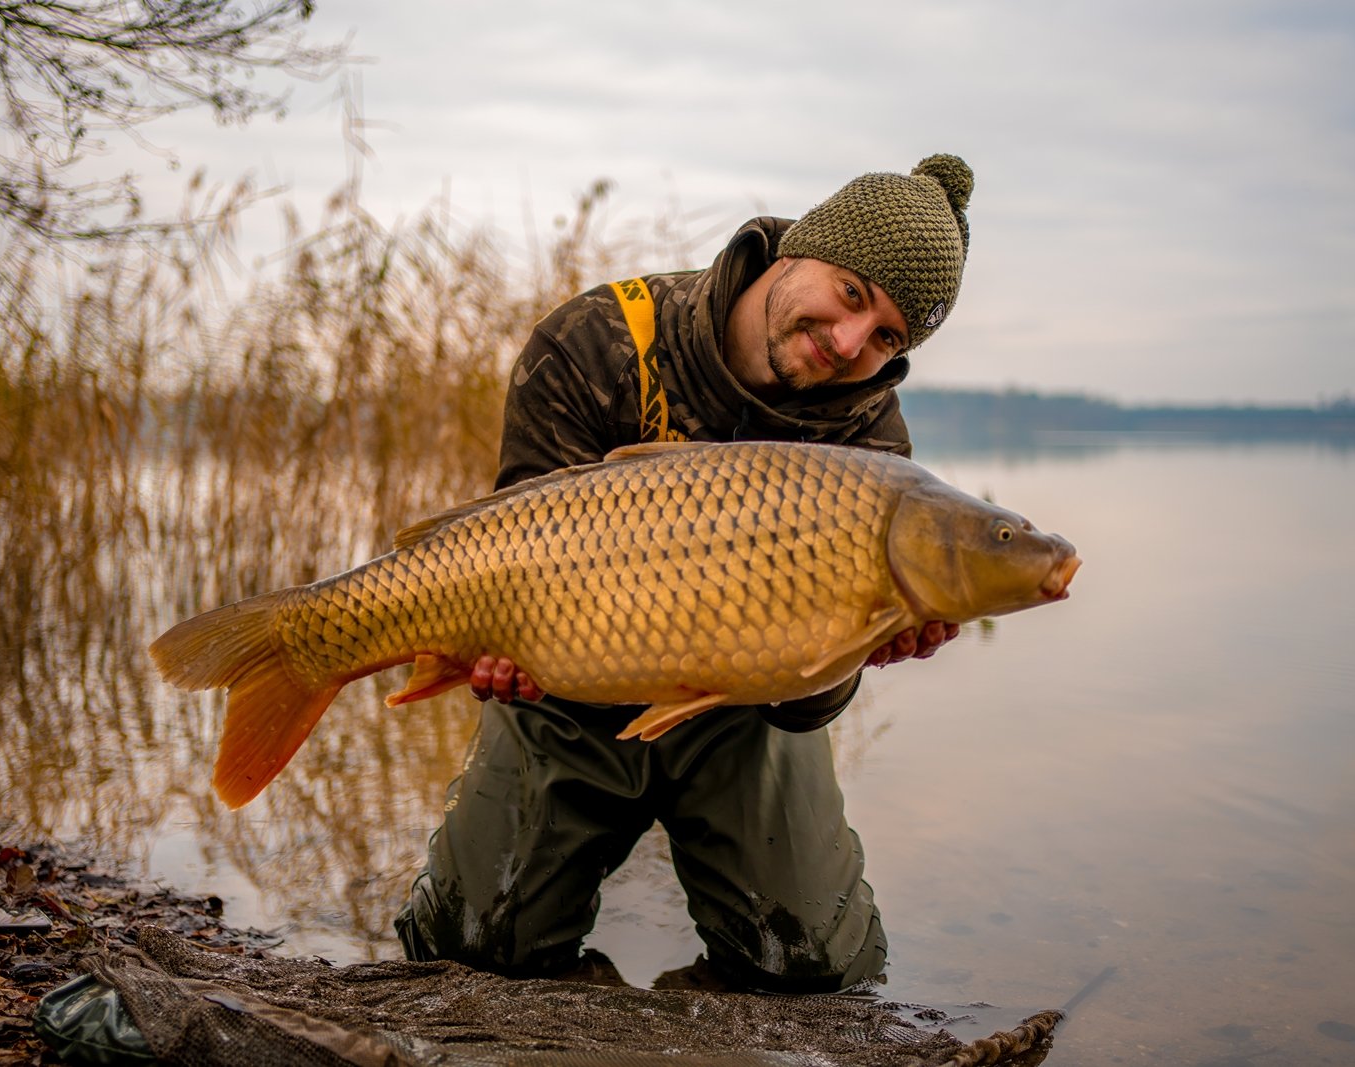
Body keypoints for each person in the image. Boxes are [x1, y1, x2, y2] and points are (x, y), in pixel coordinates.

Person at [395, 155, 974, 994]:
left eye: (887, 335)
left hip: (746, 712)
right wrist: (494, 658)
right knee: (470, 954)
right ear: (797, 250)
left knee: (816, 971)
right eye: (851, 294)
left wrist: (861, 642)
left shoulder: (869, 434)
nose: (851, 343)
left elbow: (808, 705)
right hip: (570, 692)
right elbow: (506, 560)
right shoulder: (597, 340)